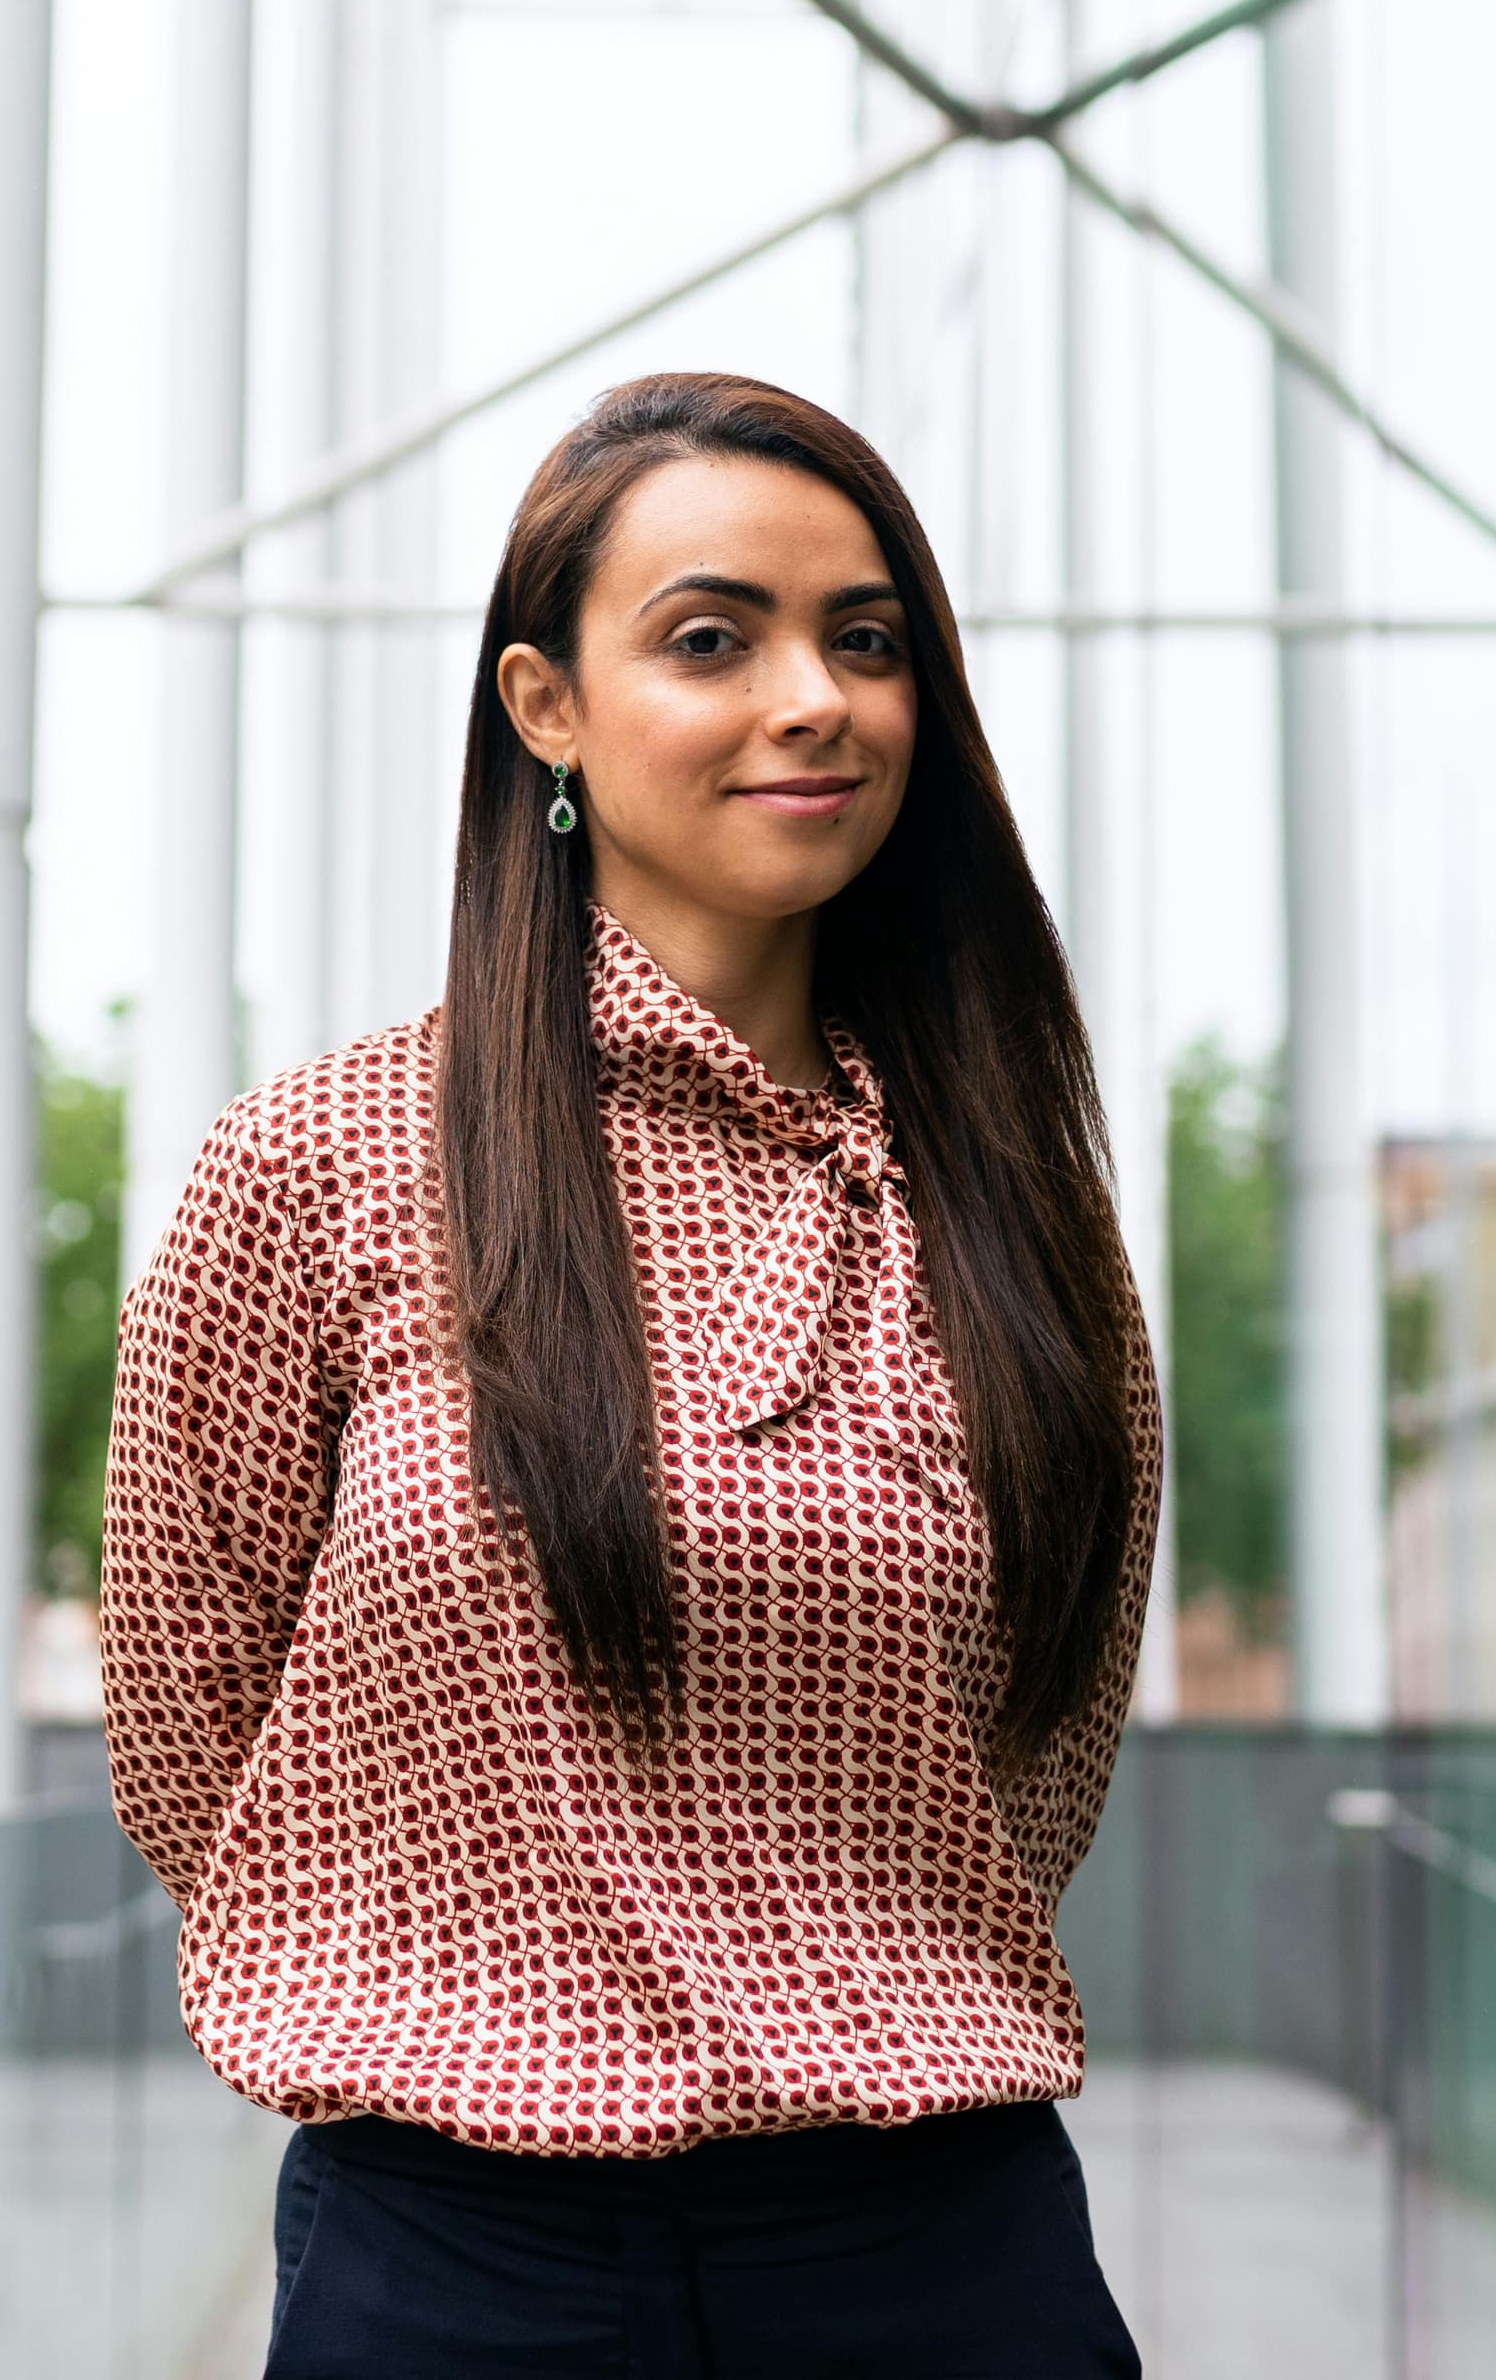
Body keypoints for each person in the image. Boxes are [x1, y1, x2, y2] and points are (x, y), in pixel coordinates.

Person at [102, 372, 1158, 2378]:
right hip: (456, 2263)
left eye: (867, 641)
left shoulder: (1022, 1207)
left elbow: (1046, 1742)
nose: (814, 699)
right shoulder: (320, 1167)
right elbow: (187, 1728)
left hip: (943, 2260)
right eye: (710, 638)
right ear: (546, 709)